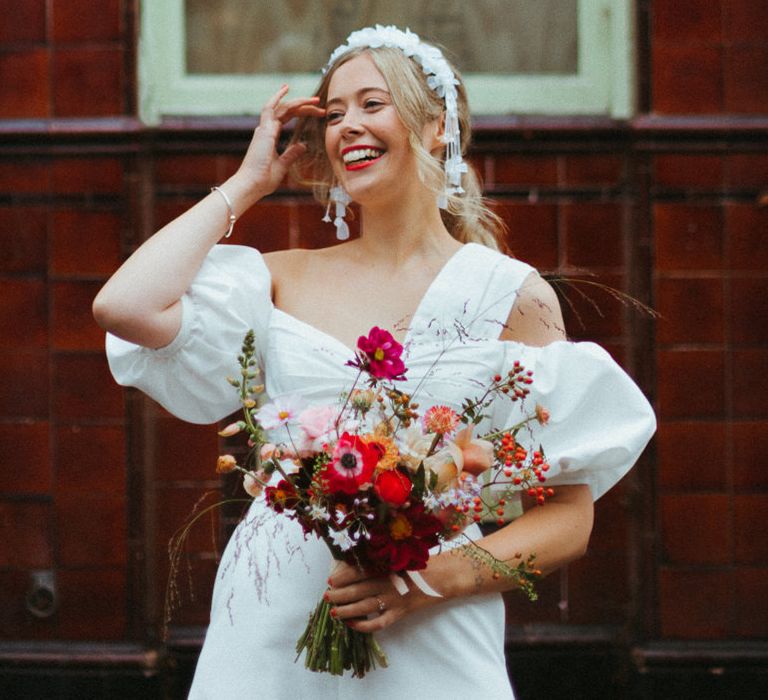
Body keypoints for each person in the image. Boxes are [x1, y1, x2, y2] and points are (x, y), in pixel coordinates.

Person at [93, 25, 655, 699]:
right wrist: (247, 183)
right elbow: (123, 306)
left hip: (431, 625)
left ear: (438, 126)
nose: (347, 126)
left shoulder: (509, 295)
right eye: (332, 114)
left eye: (371, 104)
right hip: (274, 616)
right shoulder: (278, 278)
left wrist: (423, 583)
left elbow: (570, 518)